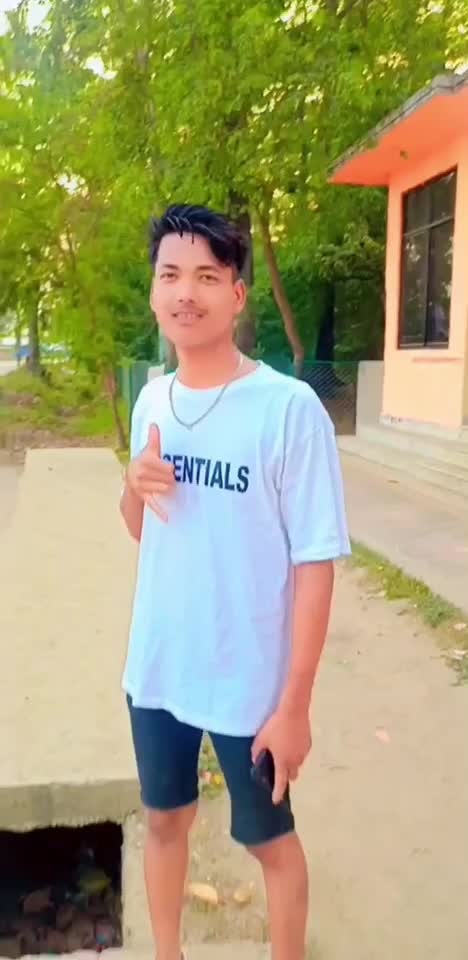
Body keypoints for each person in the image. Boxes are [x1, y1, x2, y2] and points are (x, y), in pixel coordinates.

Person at [120, 204, 350, 960]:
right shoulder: (152, 399)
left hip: (250, 684)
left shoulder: (287, 410)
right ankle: (168, 952)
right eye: (170, 275)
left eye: (207, 277)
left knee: (270, 843)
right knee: (164, 821)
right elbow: (141, 527)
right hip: (159, 667)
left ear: (237, 295)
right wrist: (133, 485)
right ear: (155, 291)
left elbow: (315, 563)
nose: (186, 293)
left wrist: (295, 706)